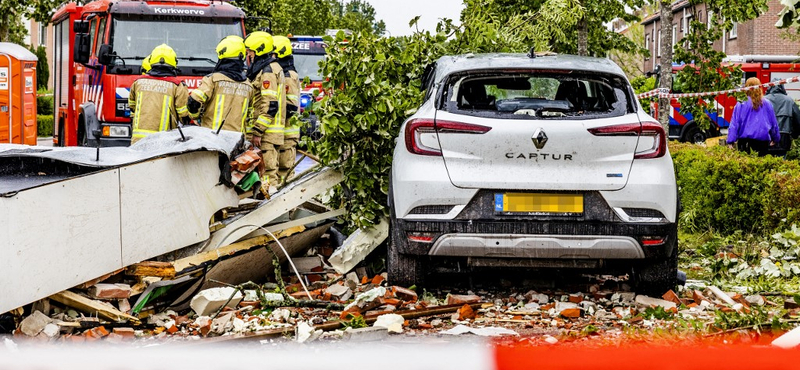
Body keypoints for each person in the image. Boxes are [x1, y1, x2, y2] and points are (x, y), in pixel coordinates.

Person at [188, 36, 255, 133]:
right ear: (241, 56)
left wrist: (194, 117)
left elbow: (193, 100)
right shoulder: (248, 85)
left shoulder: (213, 80)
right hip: (236, 141)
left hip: (212, 139)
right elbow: (251, 115)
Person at [244, 31, 285, 187]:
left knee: (267, 175)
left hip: (266, 135)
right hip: (267, 133)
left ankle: (271, 207)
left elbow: (270, 104)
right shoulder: (268, 68)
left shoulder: (267, 72)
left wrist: (258, 131)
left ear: (259, 50)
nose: (248, 54)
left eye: (251, 51)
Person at [128, 44, 190, 144]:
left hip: (138, 141)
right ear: (174, 62)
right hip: (163, 143)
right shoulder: (177, 85)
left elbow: (132, 107)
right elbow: (184, 114)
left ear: (152, 60)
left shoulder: (137, 83)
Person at [726, 77, 780, 156]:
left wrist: (731, 141)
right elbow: (773, 123)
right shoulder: (767, 103)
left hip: (744, 142)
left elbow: (734, 123)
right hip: (762, 142)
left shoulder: (741, 103)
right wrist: (775, 138)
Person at [273, 35, 301, 181]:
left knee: (285, 176)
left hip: (287, 135)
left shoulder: (288, 76)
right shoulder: (282, 73)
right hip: (281, 135)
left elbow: (290, 107)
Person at [764, 82, 800, 155]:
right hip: (784, 138)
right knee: (781, 164)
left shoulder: (764, 100)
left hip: (766, 138)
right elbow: (798, 121)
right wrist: (794, 135)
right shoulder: (789, 101)